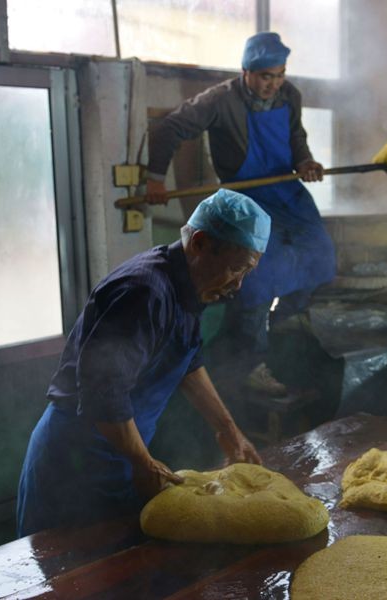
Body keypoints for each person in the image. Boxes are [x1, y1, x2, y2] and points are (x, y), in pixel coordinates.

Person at [17, 189, 270, 537]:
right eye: (236, 268)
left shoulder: (187, 287)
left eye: (247, 272)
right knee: (69, 565)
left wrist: (228, 430)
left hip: (120, 454)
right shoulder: (145, 291)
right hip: (77, 459)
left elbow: (186, 361)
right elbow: (103, 391)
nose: (238, 284)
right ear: (199, 243)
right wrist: (143, 461)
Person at [145, 31, 336, 396]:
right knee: (258, 273)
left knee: (321, 254)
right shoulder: (220, 100)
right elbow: (170, 127)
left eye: (280, 75)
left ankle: (287, 321)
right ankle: (248, 363)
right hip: (247, 196)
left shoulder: (290, 95)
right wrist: (155, 178)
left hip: (286, 190)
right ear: (246, 71)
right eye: (266, 76)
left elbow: (296, 137)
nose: (274, 84)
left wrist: (305, 162)